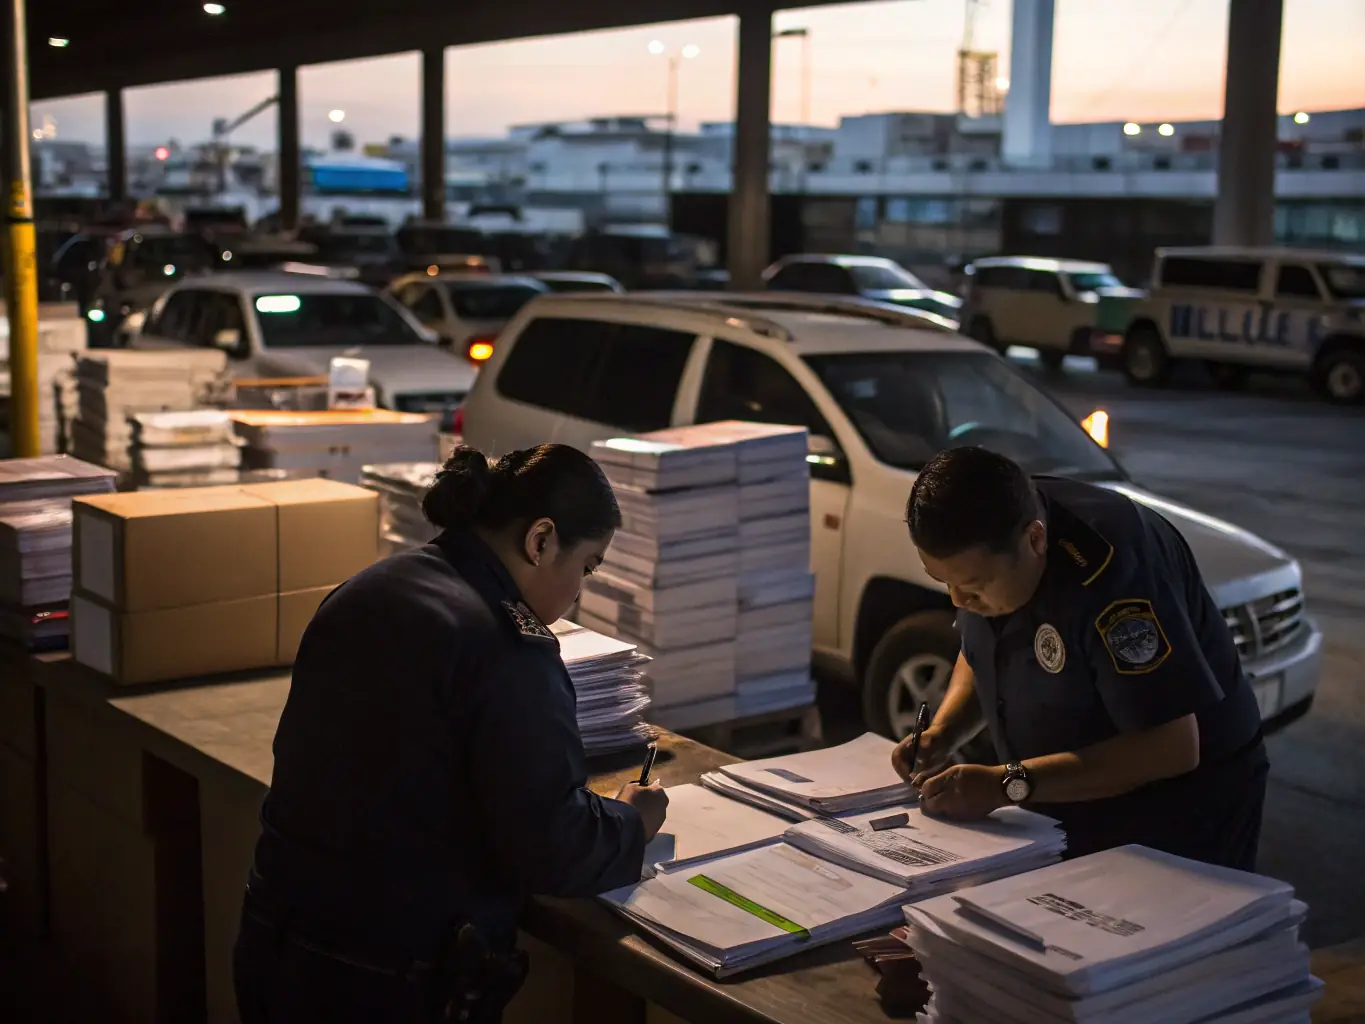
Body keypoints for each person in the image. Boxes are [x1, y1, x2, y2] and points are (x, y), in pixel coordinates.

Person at [233, 444, 669, 1024]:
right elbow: (553, 848)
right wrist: (630, 822)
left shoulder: (369, 588)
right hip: (384, 979)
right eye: (586, 568)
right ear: (541, 541)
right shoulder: (506, 646)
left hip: (275, 935)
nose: (577, 596)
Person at [890, 446, 1268, 870]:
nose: (959, 600)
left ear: (1035, 539)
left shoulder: (1111, 574)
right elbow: (984, 650)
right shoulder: (993, 537)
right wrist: (943, 733)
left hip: (1181, 807)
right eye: (945, 583)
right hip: (1061, 791)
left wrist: (1006, 784)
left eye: (974, 585)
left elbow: (1171, 747)